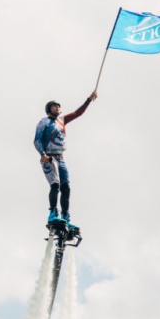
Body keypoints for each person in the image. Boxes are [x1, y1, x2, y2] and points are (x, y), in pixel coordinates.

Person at [33, 91, 98, 226]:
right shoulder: (43, 122)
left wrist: (89, 100)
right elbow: (37, 140)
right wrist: (43, 154)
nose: (57, 107)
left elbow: (77, 113)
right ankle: (52, 213)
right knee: (55, 184)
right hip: (49, 157)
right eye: (54, 106)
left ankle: (65, 216)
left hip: (60, 157)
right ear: (48, 109)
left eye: (59, 106)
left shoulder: (61, 120)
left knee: (66, 186)